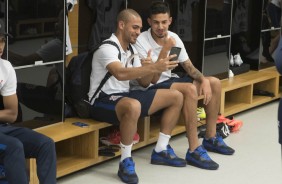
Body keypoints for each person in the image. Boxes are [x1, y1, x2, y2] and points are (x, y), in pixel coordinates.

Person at [133, 1, 235, 170]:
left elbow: (188, 67)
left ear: (170, 21)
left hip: (169, 80)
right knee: (188, 89)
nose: (160, 27)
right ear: (149, 22)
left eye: (164, 22)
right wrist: (165, 49)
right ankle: (194, 149)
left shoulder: (174, 37)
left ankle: (210, 137)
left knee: (215, 83)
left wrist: (203, 80)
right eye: (156, 22)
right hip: (150, 86)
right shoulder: (141, 41)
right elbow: (151, 79)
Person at [88, 8, 185, 184]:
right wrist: (153, 67)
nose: (138, 32)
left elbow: (145, 83)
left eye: (140, 28)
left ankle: (161, 150)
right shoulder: (107, 48)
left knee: (176, 96)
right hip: (101, 100)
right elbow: (120, 74)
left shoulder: (131, 50)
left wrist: (151, 66)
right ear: (121, 25)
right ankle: (125, 161)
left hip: (125, 96)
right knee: (133, 105)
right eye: (134, 27)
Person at [0, 20, 57, 184]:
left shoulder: (5, 67)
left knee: (46, 144)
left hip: (3, 128)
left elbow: (12, 114)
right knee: (14, 147)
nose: (0, 46)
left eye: (2, 40)